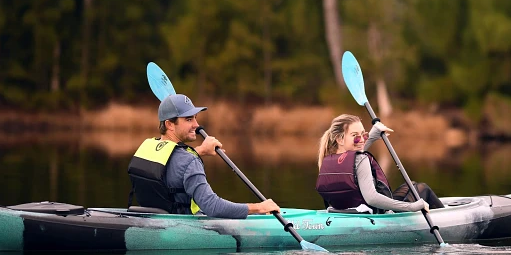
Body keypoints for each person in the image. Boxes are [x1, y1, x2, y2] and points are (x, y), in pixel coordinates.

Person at [128, 93, 280, 217]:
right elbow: (212, 206)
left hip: (149, 220)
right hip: (182, 229)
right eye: (189, 119)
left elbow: (171, 165)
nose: (196, 124)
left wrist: (199, 151)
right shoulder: (189, 161)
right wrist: (258, 208)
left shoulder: (148, 148)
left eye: (195, 118)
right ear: (169, 124)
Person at [316, 114, 444, 213]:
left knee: (413, 185)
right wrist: (412, 207)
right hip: (377, 214)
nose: (361, 140)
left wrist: (372, 135)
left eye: (363, 134)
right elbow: (371, 198)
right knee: (422, 188)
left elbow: (354, 157)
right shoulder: (361, 159)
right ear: (339, 139)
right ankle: (446, 218)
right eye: (355, 135)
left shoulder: (328, 160)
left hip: (345, 212)